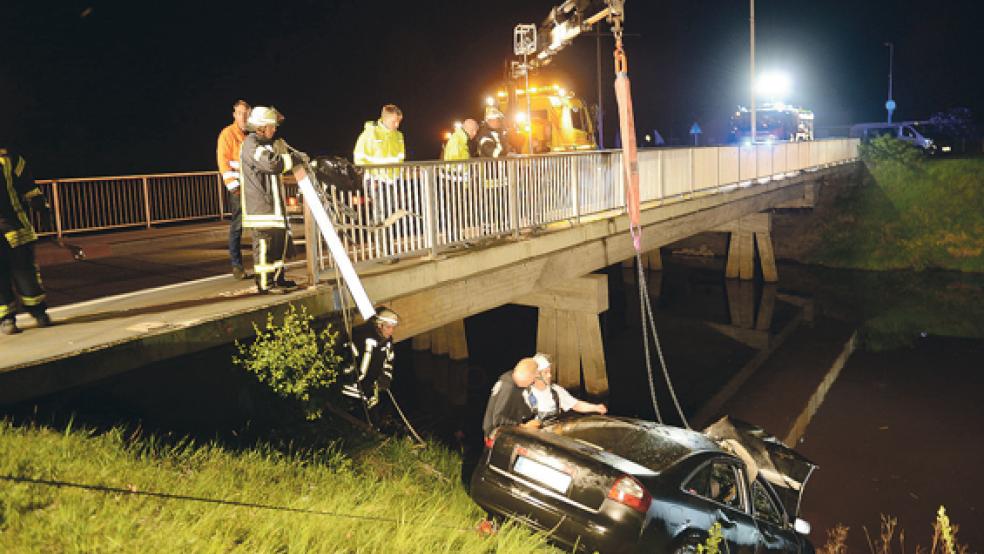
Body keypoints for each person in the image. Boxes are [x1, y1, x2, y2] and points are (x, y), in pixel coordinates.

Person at [239, 106, 307, 294]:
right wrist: (293, 158)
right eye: (271, 125)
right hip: (261, 208)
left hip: (273, 207)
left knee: (278, 244)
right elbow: (272, 164)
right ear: (261, 127)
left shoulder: (266, 144)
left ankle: (278, 278)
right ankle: (265, 284)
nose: (274, 129)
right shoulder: (251, 144)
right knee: (264, 245)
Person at [0, 147, 52, 335]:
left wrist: (40, 205)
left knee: (25, 272)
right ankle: (6, 318)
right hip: (14, 225)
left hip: (15, 226)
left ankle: (38, 311)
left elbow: (28, 185)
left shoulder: (11, 159)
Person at [341, 307, 399, 415]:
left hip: (371, 391)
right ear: (379, 325)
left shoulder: (387, 343)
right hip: (352, 392)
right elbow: (347, 358)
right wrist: (351, 377)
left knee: (372, 418)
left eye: (393, 328)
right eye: (388, 327)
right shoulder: (360, 337)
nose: (391, 331)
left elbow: (389, 362)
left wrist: (385, 378)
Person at [216, 99, 250, 280]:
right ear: (234, 115)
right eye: (240, 113)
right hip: (238, 188)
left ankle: (262, 264)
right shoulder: (227, 134)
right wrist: (233, 186)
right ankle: (237, 266)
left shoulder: (250, 135)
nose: (243, 116)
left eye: (246, 113)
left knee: (257, 227)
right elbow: (223, 162)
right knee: (237, 227)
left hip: (252, 189)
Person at [526, 353, 607, 421]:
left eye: (550, 372)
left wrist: (596, 407)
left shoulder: (556, 390)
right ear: (536, 374)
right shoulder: (525, 393)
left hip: (553, 434)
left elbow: (576, 405)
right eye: (545, 372)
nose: (550, 375)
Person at [481, 357, 540, 440]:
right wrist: (523, 427)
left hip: (505, 431)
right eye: (533, 379)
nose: (533, 382)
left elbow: (518, 403)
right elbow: (498, 420)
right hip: (497, 436)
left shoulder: (512, 377)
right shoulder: (508, 388)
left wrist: (530, 416)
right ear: (528, 376)